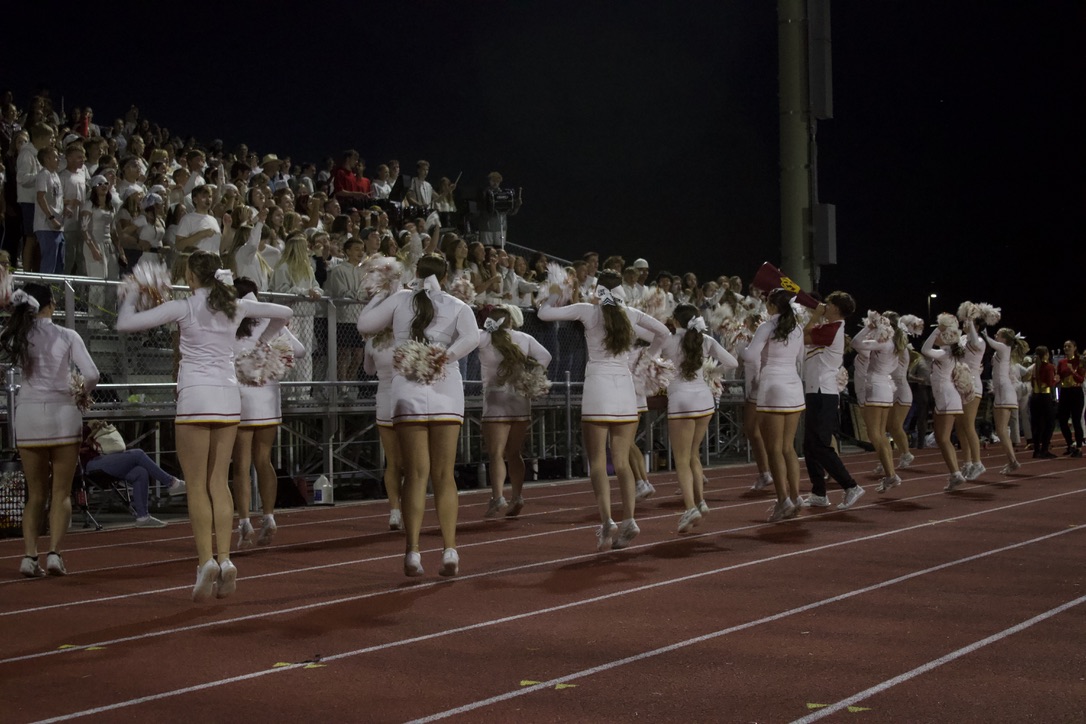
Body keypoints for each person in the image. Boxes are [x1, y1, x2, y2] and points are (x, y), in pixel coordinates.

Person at [116, 251, 293, 601]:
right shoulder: (235, 306)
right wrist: (260, 342)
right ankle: (226, 560)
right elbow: (285, 313)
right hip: (228, 397)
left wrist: (136, 289)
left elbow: (125, 323)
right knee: (219, 482)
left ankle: (205, 561)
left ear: (192, 277)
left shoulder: (184, 306)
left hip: (196, 397)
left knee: (196, 484)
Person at [356, 254, 480, 577]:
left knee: (415, 474)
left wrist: (384, 292)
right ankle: (450, 550)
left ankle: (412, 552)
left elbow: (364, 325)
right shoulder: (456, 304)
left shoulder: (400, 300)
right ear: (447, 274)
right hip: (446, 388)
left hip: (407, 390)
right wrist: (445, 355)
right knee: (444, 475)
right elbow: (473, 337)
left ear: (415, 273)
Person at [537, 270, 669, 550]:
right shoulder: (630, 314)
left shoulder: (588, 311)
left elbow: (544, 315)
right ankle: (629, 519)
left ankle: (607, 519)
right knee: (621, 462)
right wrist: (649, 358)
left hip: (597, 387)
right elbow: (664, 333)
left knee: (597, 462)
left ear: (597, 289)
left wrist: (554, 292)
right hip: (624, 389)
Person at [2, 284, 99, 577]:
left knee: (35, 494)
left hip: (29, 414)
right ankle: (54, 554)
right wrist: (82, 391)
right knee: (61, 493)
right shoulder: (67, 335)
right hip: (62, 415)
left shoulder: (18, 334)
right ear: (52, 305)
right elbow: (92, 374)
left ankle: (29, 557)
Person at [231, 278, 306, 547]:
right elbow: (299, 350)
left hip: (240, 396)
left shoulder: (230, 321)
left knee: (240, 464)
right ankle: (269, 517)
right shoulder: (268, 319)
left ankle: (244, 523)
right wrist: (275, 344)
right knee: (264, 460)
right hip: (267, 395)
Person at [661, 304, 737, 531]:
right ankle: (700, 501)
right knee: (693, 454)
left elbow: (651, 359)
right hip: (704, 399)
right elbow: (732, 363)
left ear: (676, 320)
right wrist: (712, 372)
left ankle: (690, 507)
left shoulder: (669, 340)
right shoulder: (706, 340)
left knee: (682, 459)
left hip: (681, 400)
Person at [477, 305, 552, 517]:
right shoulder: (524, 338)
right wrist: (533, 377)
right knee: (514, 453)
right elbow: (546, 356)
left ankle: (498, 497)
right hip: (519, 400)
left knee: (496, 454)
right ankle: (517, 496)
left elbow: (463, 340)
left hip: (494, 400)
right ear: (511, 321)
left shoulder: (484, 338)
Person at [743, 288, 807, 521]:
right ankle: (796, 496)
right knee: (788, 448)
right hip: (793, 387)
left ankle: (783, 500)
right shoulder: (798, 328)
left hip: (772, 387)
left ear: (772, 306)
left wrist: (744, 348)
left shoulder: (766, 327)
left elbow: (751, 357)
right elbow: (800, 358)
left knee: (774, 449)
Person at [800, 292, 866, 510]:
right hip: (814, 390)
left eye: (828, 304)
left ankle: (851, 486)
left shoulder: (834, 327)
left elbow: (802, 337)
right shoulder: (828, 327)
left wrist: (813, 317)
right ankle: (819, 492)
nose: (823, 306)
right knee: (809, 445)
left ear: (836, 309)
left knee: (819, 444)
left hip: (824, 392)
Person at [80, 421, 186, 528]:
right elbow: (75, 441)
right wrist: (88, 428)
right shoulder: (69, 422)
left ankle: (143, 517)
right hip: (89, 465)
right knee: (138, 454)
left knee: (140, 472)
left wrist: (95, 431)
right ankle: (171, 483)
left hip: (101, 459)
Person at [852, 312, 901, 493]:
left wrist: (868, 327)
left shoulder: (884, 342)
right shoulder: (895, 343)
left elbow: (855, 342)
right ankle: (890, 474)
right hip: (886, 388)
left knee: (875, 435)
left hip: (875, 386)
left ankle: (891, 474)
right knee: (881, 434)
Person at [363, 324, 405, 530]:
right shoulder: (407, 338)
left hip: (384, 400)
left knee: (392, 462)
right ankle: (408, 508)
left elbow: (368, 370)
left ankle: (394, 512)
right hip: (406, 400)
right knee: (412, 462)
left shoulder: (371, 342)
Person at [921, 316, 968, 490]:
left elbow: (925, 349)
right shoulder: (947, 353)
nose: (937, 337)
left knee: (943, 438)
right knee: (942, 439)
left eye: (941, 335)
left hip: (947, 397)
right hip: (946, 397)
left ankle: (956, 473)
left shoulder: (944, 353)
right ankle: (955, 473)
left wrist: (936, 330)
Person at [983, 328, 1028, 473]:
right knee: (1001, 429)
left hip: (1004, 391)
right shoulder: (1002, 350)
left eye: (998, 334)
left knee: (1002, 430)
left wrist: (982, 331)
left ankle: (1013, 461)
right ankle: (1012, 460)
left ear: (1004, 339)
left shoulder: (1004, 347)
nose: (995, 335)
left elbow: (988, 341)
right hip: (1001, 391)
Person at [955, 310, 987, 480]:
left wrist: (970, 319)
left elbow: (974, 340)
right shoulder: (962, 339)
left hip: (972, 384)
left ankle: (978, 462)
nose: (965, 324)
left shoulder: (980, 341)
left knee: (968, 424)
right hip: (959, 383)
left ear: (977, 325)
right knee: (960, 425)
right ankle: (966, 462)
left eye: (969, 323)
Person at [1027, 345, 1058, 459]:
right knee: (1049, 423)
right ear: (1046, 354)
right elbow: (1050, 383)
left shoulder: (1034, 367)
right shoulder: (1049, 366)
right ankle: (1044, 449)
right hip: (1045, 397)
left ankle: (1036, 450)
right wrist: (1056, 380)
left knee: (1037, 424)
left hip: (1035, 397)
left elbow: (1031, 381)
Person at [1055, 340, 1084, 457]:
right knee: (1062, 420)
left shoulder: (1080, 361)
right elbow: (1059, 377)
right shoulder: (1061, 362)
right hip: (1065, 392)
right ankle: (1070, 444)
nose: (1066, 348)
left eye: (1069, 346)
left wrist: (1072, 371)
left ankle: (1079, 447)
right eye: (1065, 346)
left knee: (1076, 420)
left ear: (1075, 348)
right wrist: (1056, 378)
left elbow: (1081, 379)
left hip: (1076, 391)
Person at [478, 171, 522, 247]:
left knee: (499, 251)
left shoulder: (504, 195)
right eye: (493, 181)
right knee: (487, 250)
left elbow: (510, 212)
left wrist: (517, 205)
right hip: (486, 228)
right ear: (489, 181)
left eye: (497, 181)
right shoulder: (483, 194)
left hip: (500, 228)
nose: (495, 183)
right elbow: (480, 210)